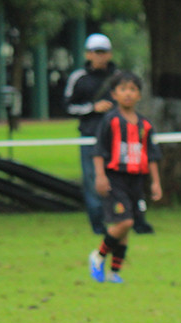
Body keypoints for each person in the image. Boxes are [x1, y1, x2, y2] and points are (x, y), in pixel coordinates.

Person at [87, 71, 162, 284]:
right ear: (114, 94)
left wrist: (156, 182)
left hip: (136, 180)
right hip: (115, 178)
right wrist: (100, 176)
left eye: (132, 89)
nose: (128, 94)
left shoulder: (145, 125)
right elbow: (99, 151)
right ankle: (99, 255)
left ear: (139, 95)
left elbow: (153, 155)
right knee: (125, 221)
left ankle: (114, 272)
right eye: (123, 89)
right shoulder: (110, 121)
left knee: (127, 225)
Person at [64, 34, 127, 235]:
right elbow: (67, 107)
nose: (100, 56)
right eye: (96, 52)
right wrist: (92, 108)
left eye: (104, 52)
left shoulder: (119, 78)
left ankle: (121, 220)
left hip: (117, 138)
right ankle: (98, 226)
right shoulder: (79, 78)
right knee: (93, 183)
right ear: (88, 54)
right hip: (90, 138)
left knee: (120, 180)